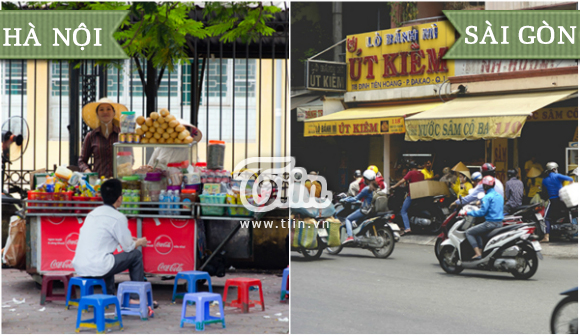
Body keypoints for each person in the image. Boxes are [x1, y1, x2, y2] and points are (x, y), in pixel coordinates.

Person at [72, 179, 153, 307]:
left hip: (80, 265)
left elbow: (105, 237)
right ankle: (136, 298)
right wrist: (140, 242)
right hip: (98, 266)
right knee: (135, 255)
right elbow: (128, 248)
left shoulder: (92, 214)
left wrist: (130, 239)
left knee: (108, 256)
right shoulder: (118, 217)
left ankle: (109, 296)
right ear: (120, 198)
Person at [78, 98, 128, 178]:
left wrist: (124, 167)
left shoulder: (122, 135)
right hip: (98, 182)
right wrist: (89, 173)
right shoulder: (91, 136)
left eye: (108, 109)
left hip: (119, 181)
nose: (105, 112)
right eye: (101, 110)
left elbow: (131, 158)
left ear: (114, 113)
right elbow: (82, 161)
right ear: (97, 114)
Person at [463, 176, 504, 260]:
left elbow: (482, 212)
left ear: (485, 186)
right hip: (500, 223)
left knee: (469, 232)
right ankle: (481, 252)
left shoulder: (487, 197)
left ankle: (477, 253)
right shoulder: (499, 196)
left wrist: (467, 212)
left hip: (490, 223)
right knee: (478, 232)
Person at [342, 170, 378, 244]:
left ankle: (350, 236)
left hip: (364, 210)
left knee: (348, 219)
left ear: (367, 180)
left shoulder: (366, 189)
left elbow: (355, 198)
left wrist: (345, 199)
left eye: (364, 179)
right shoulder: (375, 187)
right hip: (371, 210)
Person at [541, 162, 574, 243]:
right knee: (566, 213)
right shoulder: (557, 176)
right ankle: (569, 233)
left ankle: (546, 236)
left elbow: (544, 192)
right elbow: (570, 179)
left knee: (546, 218)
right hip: (563, 199)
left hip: (553, 200)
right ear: (554, 169)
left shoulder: (544, 180)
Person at [391, 161, 424, 234]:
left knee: (403, 211)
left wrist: (393, 186)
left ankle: (407, 228)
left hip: (412, 195)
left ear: (411, 168)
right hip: (420, 195)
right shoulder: (421, 174)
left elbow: (401, 181)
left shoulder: (411, 173)